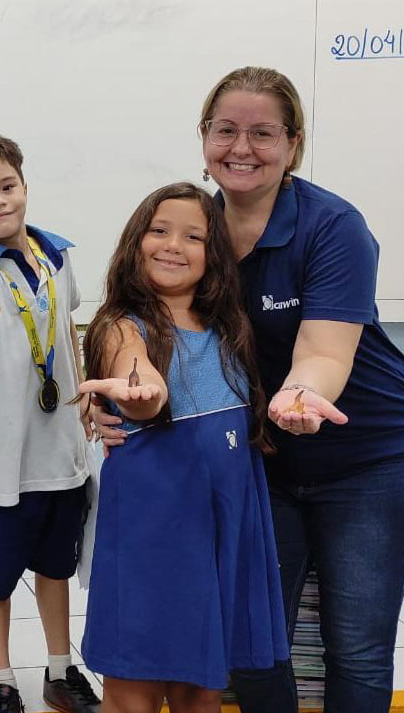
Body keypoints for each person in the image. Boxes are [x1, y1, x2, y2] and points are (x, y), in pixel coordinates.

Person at [93, 66, 404, 713]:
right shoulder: (196, 229)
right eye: (226, 130)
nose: (242, 147)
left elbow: (320, 351)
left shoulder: (332, 227)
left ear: (294, 142)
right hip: (262, 467)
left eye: (263, 133)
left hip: (364, 459)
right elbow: (142, 341)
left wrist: (298, 396)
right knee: (254, 648)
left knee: (357, 648)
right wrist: (121, 397)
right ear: (204, 136)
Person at [78, 182, 287, 713]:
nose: (174, 244)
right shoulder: (121, 326)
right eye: (160, 230)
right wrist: (141, 392)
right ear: (135, 242)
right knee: (136, 681)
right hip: (155, 532)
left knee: (203, 682)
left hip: (221, 525)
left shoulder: (228, 329)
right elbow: (137, 375)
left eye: (194, 236)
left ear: (212, 255)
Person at [0, 134, 100, 713]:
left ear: (25, 187)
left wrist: (82, 386)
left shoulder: (59, 255)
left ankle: (60, 669)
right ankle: (0, 679)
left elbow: (69, 333)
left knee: (56, 566)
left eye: (7, 187)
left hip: (60, 449)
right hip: (3, 457)